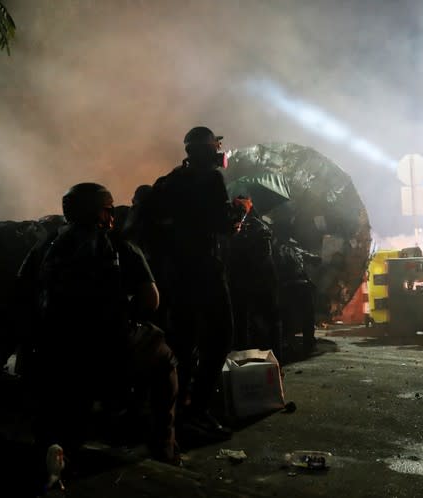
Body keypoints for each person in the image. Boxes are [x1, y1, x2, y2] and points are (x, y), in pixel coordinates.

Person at [28, 183, 179, 484]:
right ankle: (164, 444)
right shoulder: (120, 244)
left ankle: (57, 450)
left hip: (56, 348)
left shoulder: (46, 246)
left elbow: (24, 291)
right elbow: (152, 300)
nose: (112, 217)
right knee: (165, 356)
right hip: (111, 347)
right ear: (101, 213)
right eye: (108, 210)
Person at [150, 126, 249, 440]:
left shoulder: (170, 181)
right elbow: (222, 225)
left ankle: (175, 410)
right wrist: (240, 212)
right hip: (204, 270)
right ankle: (196, 411)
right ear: (210, 150)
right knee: (220, 337)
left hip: (175, 274)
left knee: (182, 341)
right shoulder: (210, 179)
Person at [228, 206, 282, 358]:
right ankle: (275, 362)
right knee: (271, 324)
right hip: (265, 285)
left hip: (246, 286)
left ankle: (244, 360)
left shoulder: (241, 233)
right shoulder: (263, 230)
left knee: (244, 325)